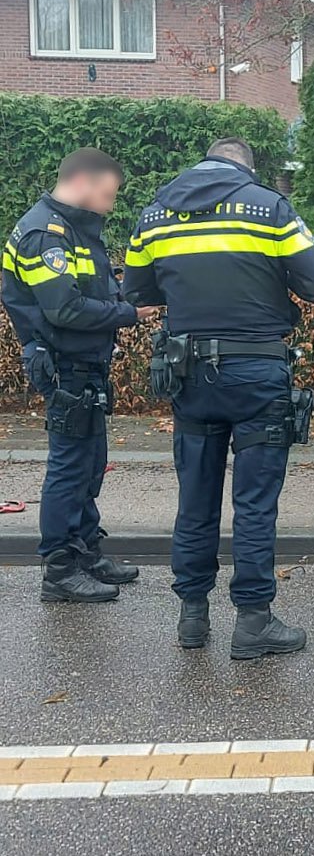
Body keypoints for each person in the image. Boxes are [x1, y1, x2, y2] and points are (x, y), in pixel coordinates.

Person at [123, 138, 314, 660]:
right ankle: (253, 622)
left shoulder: (154, 216)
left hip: (190, 375)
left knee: (194, 499)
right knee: (255, 504)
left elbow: (138, 294)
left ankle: (192, 618)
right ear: (245, 166)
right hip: (258, 372)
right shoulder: (269, 207)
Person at [1, 148, 160, 603]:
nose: (111, 204)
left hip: (83, 366)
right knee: (69, 470)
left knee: (89, 465)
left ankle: (86, 551)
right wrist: (130, 312)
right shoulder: (44, 235)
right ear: (84, 182)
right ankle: (60, 570)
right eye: (108, 194)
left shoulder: (70, 228)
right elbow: (64, 308)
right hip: (65, 367)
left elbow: (88, 286)